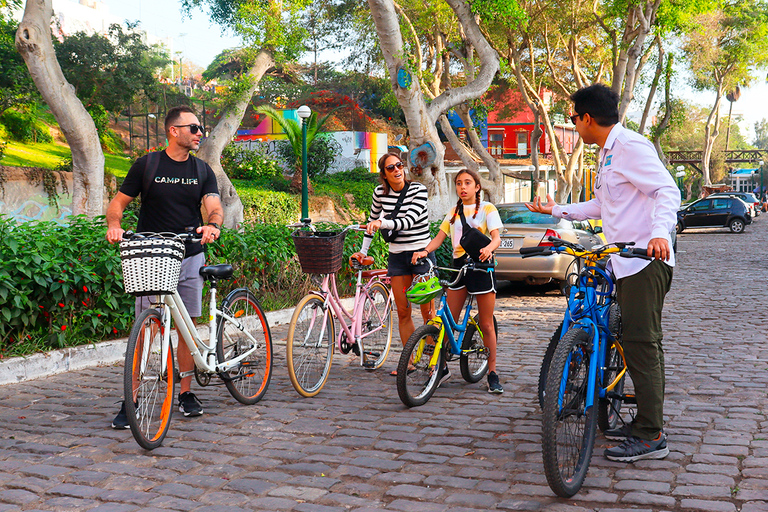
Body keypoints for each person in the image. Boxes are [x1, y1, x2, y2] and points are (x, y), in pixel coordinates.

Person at [526, 83, 680, 462]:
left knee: (643, 345)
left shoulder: (630, 146)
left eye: (574, 118)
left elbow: (667, 191)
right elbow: (604, 204)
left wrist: (660, 233)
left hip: (645, 261)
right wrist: (557, 210)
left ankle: (651, 435)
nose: (575, 124)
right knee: (630, 341)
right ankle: (643, 418)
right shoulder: (607, 154)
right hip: (622, 263)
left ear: (587, 119)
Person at [105, 105, 223, 429]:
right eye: (194, 128)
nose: (199, 133)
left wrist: (213, 224)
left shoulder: (202, 170)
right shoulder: (147, 165)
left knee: (186, 327)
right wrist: (114, 225)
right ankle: (133, 399)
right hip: (151, 257)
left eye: (200, 128)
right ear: (174, 130)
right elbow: (117, 204)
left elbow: (213, 206)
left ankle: (185, 393)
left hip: (190, 255)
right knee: (144, 331)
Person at [411, 168, 503, 393]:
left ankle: (492, 372)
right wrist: (424, 251)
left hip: (481, 267)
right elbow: (439, 238)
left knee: (486, 323)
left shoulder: (487, 209)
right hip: (458, 267)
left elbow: (496, 238)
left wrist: (488, 249)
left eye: (467, 183)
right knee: (446, 320)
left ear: (477, 187)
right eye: (459, 183)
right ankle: (441, 368)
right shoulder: (453, 212)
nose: (463, 187)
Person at [351, 151, 434, 375]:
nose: (397, 170)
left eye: (399, 165)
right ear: (384, 174)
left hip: (421, 254)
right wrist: (363, 251)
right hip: (397, 256)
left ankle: (435, 360)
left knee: (428, 311)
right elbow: (371, 222)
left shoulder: (418, 190)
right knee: (403, 311)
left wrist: (382, 223)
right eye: (391, 168)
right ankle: (408, 361)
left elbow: (407, 222)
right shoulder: (380, 192)